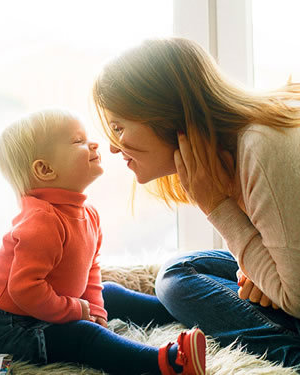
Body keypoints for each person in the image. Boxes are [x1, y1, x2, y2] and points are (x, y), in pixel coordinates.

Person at [92, 37, 300, 371]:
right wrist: (257, 271)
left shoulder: (260, 147)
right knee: (181, 270)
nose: (114, 148)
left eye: (119, 127)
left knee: (177, 280)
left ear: (163, 113)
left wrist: (217, 207)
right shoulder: (239, 147)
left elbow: (296, 297)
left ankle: (290, 353)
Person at [0, 108, 207, 375]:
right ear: (45, 169)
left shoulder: (88, 215)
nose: (94, 143)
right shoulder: (41, 222)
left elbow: (90, 271)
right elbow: (24, 289)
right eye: (78, 141)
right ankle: (167, 363)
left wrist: (95, 309)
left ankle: (189, 313)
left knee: (110, 292)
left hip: (45, 305)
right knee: (84, 335)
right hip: (10, 325)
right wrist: (75, 311)